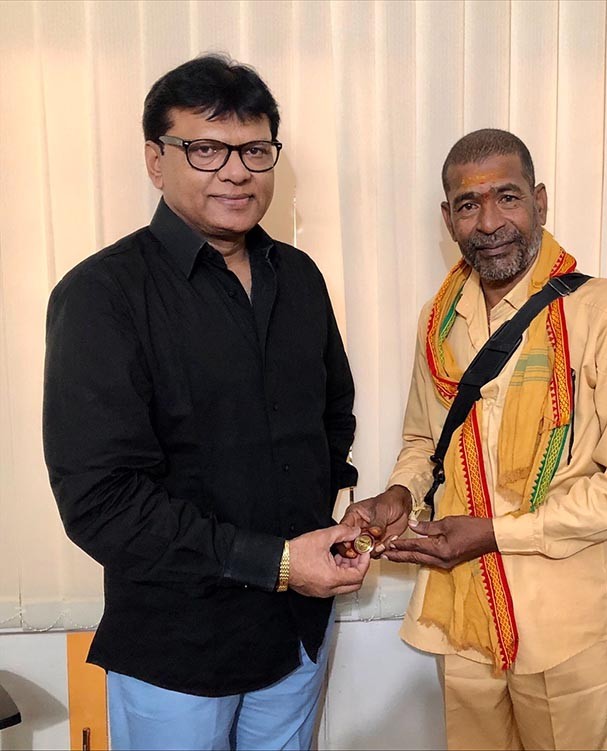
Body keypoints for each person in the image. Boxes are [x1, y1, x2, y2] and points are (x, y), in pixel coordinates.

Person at [42, 55, 369, 751]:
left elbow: (331, 419)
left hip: (296, 631)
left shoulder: (299, 278)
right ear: (155, 161)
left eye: (255, 150)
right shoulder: (102, 295)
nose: (236, 171)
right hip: (179, 646)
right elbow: (101, 501)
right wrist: (276, 560)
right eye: (206, 149)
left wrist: (334, 516)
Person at [339, 128, 607, 750]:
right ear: (448, 218)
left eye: (508, 197)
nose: (490, 223)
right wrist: (401, 495)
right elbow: (424, 438)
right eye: (469, 204)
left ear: (540, 201)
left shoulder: (606, 313)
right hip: (464, 607)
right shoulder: (441, 319)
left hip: (561, 619)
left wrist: (495, 532)